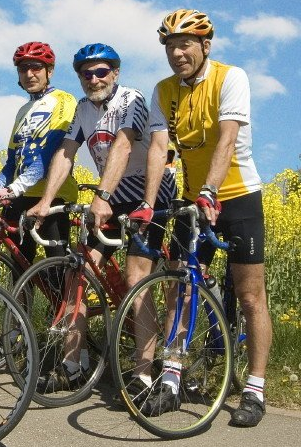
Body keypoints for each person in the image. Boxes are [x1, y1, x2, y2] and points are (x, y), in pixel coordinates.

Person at [132, 9, 270, 427]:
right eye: (171, 47)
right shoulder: (163, 90)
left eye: (186, 45)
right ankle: (171, 379)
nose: (177, 53)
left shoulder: (231, 78)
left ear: (205, 46)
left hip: (238, 197)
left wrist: (211, 189)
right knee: (180, 288)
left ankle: (255, 389)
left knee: (250, 296)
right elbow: (159, 148)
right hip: (191, 201)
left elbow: (227, 137)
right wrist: (148, 203)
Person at [26, 43, 176, 392]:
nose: (93, 79)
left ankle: (143, 373)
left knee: (137, 276)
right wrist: (46, 200)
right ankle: (72, 364)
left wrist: (102, 196)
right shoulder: (82, 109)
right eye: (86, 74)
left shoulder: (131, 99)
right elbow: (66, 153)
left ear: (115, 73)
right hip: (113, 195)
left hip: (149, 192)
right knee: (77, 271)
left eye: (101, 72)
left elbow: (123, 145)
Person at [0, 41, 78, 262]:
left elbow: (51, 152)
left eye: (36, 67)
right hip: (21, 195)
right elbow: (12, 163)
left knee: (57, 268)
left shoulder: (64, 99)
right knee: (19, 266)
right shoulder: (22, 110)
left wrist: (14, 188)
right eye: (23, 69)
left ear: (50, 71)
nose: (29, 74)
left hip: (53, 195)